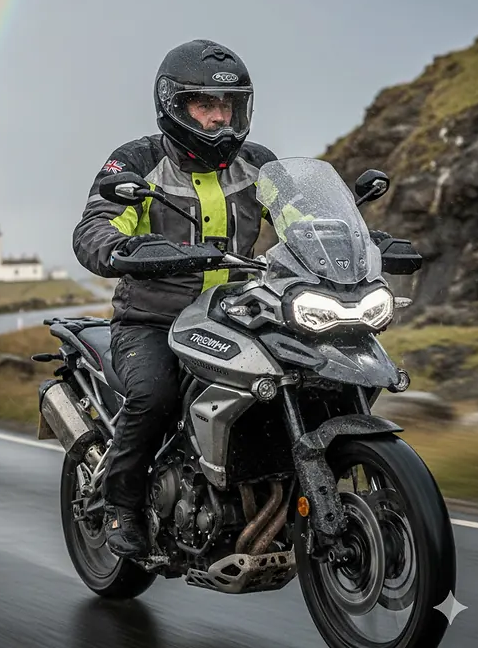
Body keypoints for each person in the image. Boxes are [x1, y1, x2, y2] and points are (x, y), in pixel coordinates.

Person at [73, 39, 389, 558]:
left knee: (309, 370)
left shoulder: (258, 164)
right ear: (174, 106)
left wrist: (366, 245)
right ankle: (119, 506)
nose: (220, 118)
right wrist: (128, 249)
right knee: (154, 396)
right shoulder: (136, 162)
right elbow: (96, 228)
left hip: (236, 314)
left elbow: (303, 222)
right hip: (152, 320)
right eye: (206, 105)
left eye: (230, 105)